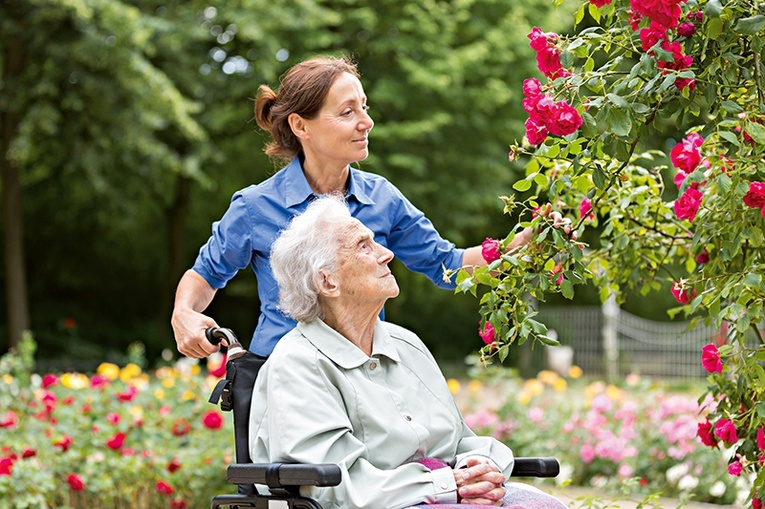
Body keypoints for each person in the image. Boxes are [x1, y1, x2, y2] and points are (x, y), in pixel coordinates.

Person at [171, 55, 568, 359]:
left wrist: (521, 244)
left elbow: (447, 265)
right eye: (347, 112)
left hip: (366, 379)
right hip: (284, 382)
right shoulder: (256, 206)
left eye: (364, 107)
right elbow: (204, 276)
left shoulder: (382, 198)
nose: (366, 122)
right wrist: (184, 314)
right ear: (300, 126)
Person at [249, 195, 567, 509]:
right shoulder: (298, 363)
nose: (386, 254)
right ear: (328, 281)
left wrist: (477, 467)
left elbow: (460, 440)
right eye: (364, 246)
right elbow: (336, 486)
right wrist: (445, 485)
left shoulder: (405, 344)